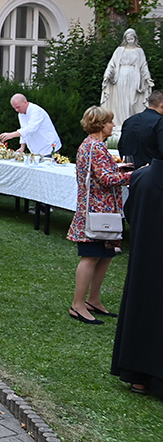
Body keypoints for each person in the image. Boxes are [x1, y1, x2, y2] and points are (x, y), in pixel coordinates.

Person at [67, 106, 131, 324]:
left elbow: (101, 174)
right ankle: (77, 304)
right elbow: (106, 179)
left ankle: (93, 300)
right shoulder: (96, 147)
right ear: (101, 124)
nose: (113, 125)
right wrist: (135, 175)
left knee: (105, 255)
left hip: (101, 210)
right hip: (97, 212)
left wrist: (121, 170)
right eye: (110, 122)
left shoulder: (91, 145)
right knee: (91, 256)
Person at [112, 157, 163, 396]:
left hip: (144, 259)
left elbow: (130, 213)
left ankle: (138, 377)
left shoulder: (142, 177)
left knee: (141, 312)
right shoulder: (143, 176)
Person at [101, 28, 153, 129]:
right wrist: (107, 75)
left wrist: (147, 78)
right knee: (121, 101)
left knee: (132, 101)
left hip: (134, 78)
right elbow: (112, 64)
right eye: (128, 38)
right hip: (120, 78)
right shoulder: (119, 50)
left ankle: (131, 123)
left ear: (135, 38)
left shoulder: (139, 51)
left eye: (132, 38)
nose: (130, 40)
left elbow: (143, 66)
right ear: (125, 38)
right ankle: (121, 123)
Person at [118, 89, 163, 169]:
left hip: (129, 173)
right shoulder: (160, 122)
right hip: (152, 173)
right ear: (162, 105)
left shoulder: (129, 121)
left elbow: (121, 146)